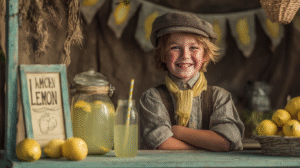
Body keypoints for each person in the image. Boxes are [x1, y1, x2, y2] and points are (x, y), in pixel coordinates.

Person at [139, 12, 245, 151]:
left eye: (193, 48)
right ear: (163, 55)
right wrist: (208, 147)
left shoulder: (220, 97)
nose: (185, 55)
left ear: (205, 55)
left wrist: (178, 131)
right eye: (175, 47)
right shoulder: (153, 97)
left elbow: (225, 142)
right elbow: (163, 144)